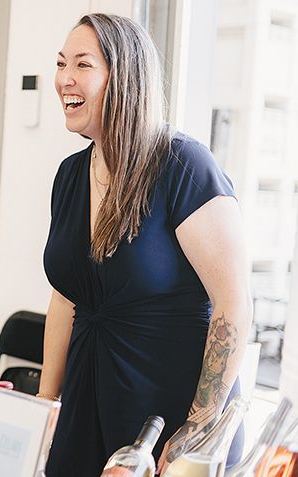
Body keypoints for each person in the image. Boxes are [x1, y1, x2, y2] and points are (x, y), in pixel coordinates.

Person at [40, 13, 251, 476]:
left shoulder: (184, 167)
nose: (63, 80)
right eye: (60, 64)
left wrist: (195, 430)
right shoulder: (70, 176)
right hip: (86, 407)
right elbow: (65, 296)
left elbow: (233, 305)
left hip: (167, 424)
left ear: (125, 78)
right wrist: (44, 405)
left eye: (82, 65)